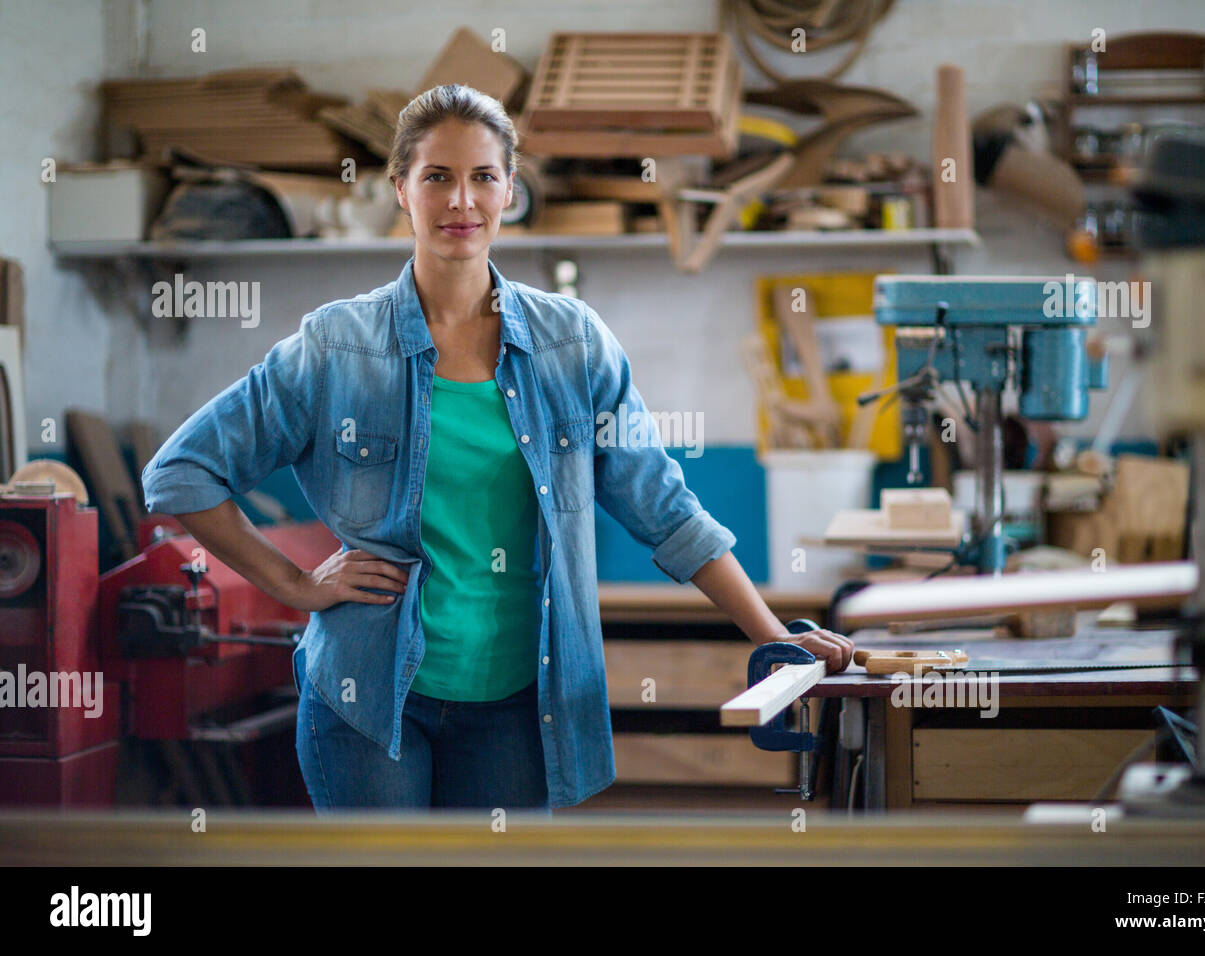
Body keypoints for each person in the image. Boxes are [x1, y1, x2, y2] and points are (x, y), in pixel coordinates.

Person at [142, 83, 855, 812]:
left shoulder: (572, 345)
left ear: (510, 189)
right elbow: (180, 474)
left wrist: (774, 636)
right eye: (438, 177)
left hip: (520, 706)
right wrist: (294, 586)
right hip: (367, 702)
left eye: (483, 176)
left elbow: (663, 507)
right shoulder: (336, 347)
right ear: (400, 189)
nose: (461, 201)